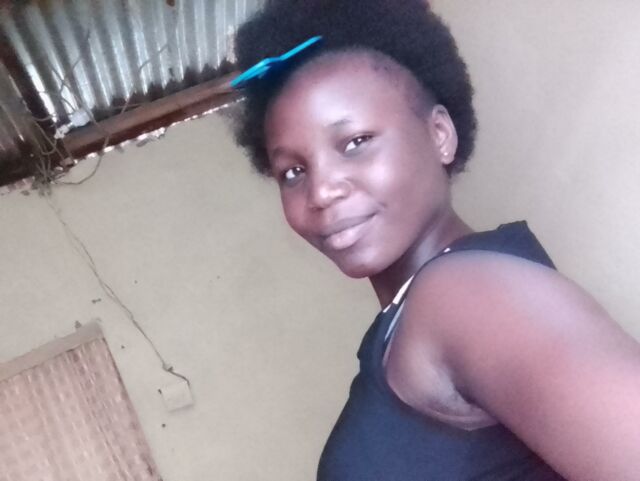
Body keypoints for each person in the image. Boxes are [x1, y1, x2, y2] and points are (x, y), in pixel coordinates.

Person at [230, 1, 640, 479]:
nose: (321, 191)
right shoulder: (409, 321)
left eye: (356, 142)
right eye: (293, 172)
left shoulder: (467, 294)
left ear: (440, 134)